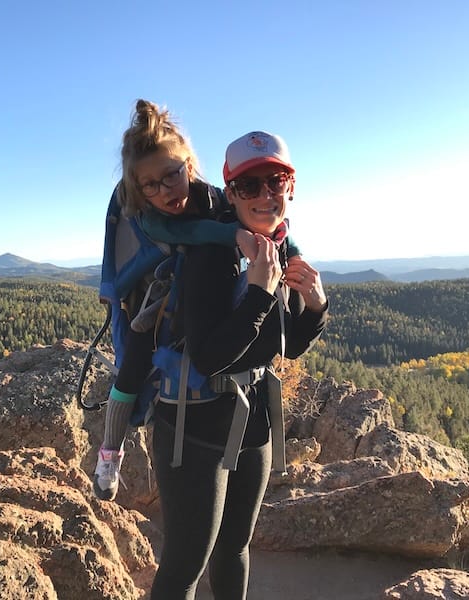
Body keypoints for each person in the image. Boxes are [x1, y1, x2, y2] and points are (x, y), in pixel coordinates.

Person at [150, 130, 328, 599]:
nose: (265, 195)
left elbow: (286, 346)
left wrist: (316, 306)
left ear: (291, 187)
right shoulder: (211, 255)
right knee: (186, 562)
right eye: (249, 185)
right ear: (230, 194)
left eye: (276, 181)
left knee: (235, 548)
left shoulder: (280, 249)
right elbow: (209, 357)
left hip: (253, 418)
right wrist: (259, 293)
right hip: (193, 421)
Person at [93, 101, 289, 501]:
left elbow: (267, 225)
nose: (164, 190)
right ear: (138, 189)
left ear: (189, 165)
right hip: (155, 305)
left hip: (200, 304)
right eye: (150, 184)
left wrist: (294, 254)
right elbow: (194, 233)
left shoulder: (214, 199)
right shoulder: (148, 216)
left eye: (171, 175)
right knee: (130, 372)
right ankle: (110, 453)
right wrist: (234, 236)